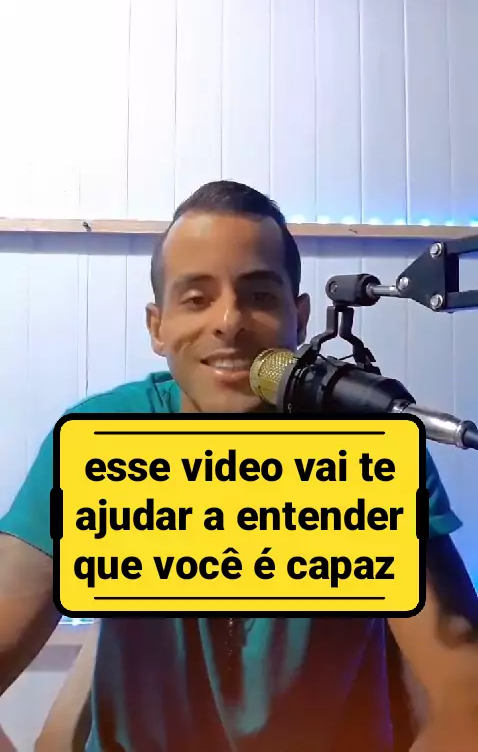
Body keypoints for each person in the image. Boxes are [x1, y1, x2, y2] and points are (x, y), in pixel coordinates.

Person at [1, 180, 478, 752]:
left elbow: (465, 687)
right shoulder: (99, 439)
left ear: (299, 318)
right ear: (157, 327)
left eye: (258, 295)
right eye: (196, 299)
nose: (229, 321)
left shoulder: (369, 446)